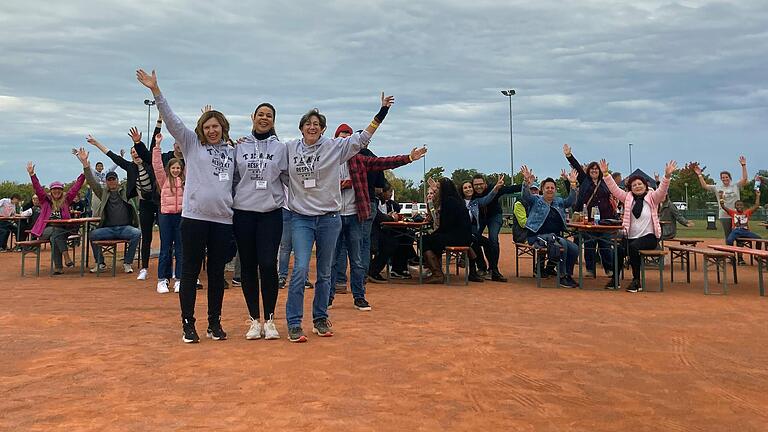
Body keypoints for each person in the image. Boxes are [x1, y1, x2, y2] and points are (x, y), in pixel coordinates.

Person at [284, 93, 393, 343]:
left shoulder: (334, 148)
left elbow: (363, 137)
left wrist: (382, 112)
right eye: (308, 123)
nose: (312, 127)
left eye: (317, 124)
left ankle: (320, 318)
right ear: (301, 128)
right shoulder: (289, 148)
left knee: (324, 272)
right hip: (301, 218)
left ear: (323, 129)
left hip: (329, 219)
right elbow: (272, 165)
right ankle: (293, 322)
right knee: (300, 269)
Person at [137, 68, 235, 344]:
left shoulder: (232, 152)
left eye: (216, 126)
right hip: (194, 219)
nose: (212, 130)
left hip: (223, 220)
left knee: (216, 275)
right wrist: (156, 91)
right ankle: (188, 323)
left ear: (223, 128)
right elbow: (171, 120)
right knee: (190, 272)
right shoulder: (191, 145)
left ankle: (214, 323)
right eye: (207, 127)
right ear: (200, 130)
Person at [328, 129, 427, 311]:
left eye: (347, 141)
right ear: (334, 142)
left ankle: (359, 296)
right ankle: (328, 297)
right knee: (332, 258)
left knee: (357, 258)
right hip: (333, 217)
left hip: (355, 215)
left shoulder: (359, 160)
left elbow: (384, 162)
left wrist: (409, 158)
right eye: (340, 140)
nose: (343, 144)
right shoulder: (327, 161)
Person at [232, 102, 286, 341]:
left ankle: (271, 320)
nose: (264, 118)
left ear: (274, 121)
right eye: (261, 114)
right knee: (248, 266)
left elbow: (288, 177)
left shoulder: (281, 148)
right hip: (243, 213)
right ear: (252, 117)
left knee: (267, 264)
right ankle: (254, 320)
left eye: (269, 116)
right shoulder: (240, 146)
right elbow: (232, 178)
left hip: (271, 214)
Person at [86, 128, 160, 282]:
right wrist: (96, 143)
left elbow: (153, 144)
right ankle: (144, 268)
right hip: (145, 204)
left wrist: (159, 120)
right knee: (146, 236)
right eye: (133, 153)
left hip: (158, 202)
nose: (135, 154)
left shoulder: (149, 163)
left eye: (137, 152)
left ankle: (168, 269)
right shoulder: (130, 167)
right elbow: (111, 155)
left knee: (166, 235)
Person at [602, 159, 676, 293]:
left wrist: (667, 176)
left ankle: (637, 281)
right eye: (634, 185)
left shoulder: (653, 197)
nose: (637, 186)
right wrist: (606, 174)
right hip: (631, 236)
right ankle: (615, 279)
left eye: (640, 184)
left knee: (633, 247)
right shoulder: (628, 198)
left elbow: (663, 190)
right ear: (630, 188)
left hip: (649, 237)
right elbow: (614, 190)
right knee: (619, 249)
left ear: (645, 185)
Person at [76, 148, 142, 274]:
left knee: (136, 233)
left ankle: (127, 263)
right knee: (93, 234)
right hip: (108, 229)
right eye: (109, 180)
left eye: (114, 179)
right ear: (106, 182)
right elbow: (91, 181)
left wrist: (136, 161)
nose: (112, 182)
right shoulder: (103, 193)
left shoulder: (125, 192)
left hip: (125, 228)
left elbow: (134, 177)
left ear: (117, 181)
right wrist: (85, 164)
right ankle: (100, 263)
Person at [563, 144, 618, 278]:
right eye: (592, 169)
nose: (594, 170)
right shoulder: (584, 180)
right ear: (588, 171)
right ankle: (590, 269)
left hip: (604, 218)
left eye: (596, 169)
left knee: (605, 244)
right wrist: (569, 156)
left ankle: (609, 268)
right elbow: (576, 166)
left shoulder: (605, 181)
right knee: (589, 244)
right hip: (588, 218)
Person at [520, 166, 580, 288]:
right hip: (536, 236)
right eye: (547, 188)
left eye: (552, 188)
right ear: (542, 189)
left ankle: (567, 274)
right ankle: (562, 277)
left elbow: (571, 201)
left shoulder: (558, 201)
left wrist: (573, 184)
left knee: (574, 248)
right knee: (562, 244)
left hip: (554, 237)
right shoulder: (536, 200)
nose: (550, 190)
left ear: (555, 190)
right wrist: (526, 182)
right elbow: (525, 196)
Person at [27, 161, 86, 274]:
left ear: (62, 191)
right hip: (45, 229)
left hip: (64, 230)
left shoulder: (66, 199)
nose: (56, 191)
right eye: (54, 189)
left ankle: (58, 268)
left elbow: (76, 187)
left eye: (59, 189)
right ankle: (66, 257)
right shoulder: (45, 200)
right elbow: (38, 188)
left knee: (56, 236)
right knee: (55, 232)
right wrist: (32, 175)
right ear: (51, 191)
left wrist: (84, 171)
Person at [421, 178, 473, 284]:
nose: (436, 190)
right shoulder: (455, 200)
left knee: (424, 240)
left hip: (457, 238)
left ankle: (437, 274)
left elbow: (445, 226)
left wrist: (434, 234)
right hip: (463, 236)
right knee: (432, 239)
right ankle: (436, 270)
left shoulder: (448, 202)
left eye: (439, 188)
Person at [151, 133, 185, 294]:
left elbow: (193, 161)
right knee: (165, 249)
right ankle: (162, 280)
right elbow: (157, 165)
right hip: (165, 216)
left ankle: (179, 279)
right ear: (169, 169)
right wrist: (157, 146)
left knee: (180, 249)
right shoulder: (163, 180)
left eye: (178, 168)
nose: (176, 170)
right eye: (173, 168)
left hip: (181, 216)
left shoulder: (186, 181)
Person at [472, 174, 522, 282]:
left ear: (485, 184)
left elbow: (510, 189)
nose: (478, 187)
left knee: (493, 239)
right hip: (480, 218)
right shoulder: (472, 193)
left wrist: (526, 184)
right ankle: (481, 266)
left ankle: (493, 269)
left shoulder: (494, 188)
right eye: (475, 185)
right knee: (474, 238)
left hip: (494, 216)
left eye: (480, 184)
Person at [693, 156, 749, 242]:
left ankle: (740, 254)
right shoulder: (717, 187)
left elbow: (744, 179)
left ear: (729, 178)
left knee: (739, 235)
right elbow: (705, 186)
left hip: (736, 214)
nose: (725, 179)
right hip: (724, 214)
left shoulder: (735, 186)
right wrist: (700, 175)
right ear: (721, 179)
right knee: (728, 236)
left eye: (726, 177)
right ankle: (730, 254)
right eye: (723, 177)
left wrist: (743, 165)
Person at [462, 177, 505, 282]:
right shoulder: (459, 202)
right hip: (461, 232)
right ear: (462, 190)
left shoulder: (475, 202)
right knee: (474, 240)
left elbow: (487, 199)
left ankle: (492, 270)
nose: (468, 189)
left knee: (487, 241)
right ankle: (480, 268)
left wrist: (495, 189)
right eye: (465, 188)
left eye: (469, 187)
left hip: (470, 231)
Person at [720, 189, 762, 263]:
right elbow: (723, 206)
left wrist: (758, 196)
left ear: (743, 206)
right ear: (735, 207)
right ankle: (732, 256)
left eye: (741, 205)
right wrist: (721, 197)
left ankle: (757, 255)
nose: (739, 206)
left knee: (759, 239)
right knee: (729, 240)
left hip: (745, 231)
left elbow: (756, 206)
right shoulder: (732, 213)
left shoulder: (747, 212)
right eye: (738, 205)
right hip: (735, 231)